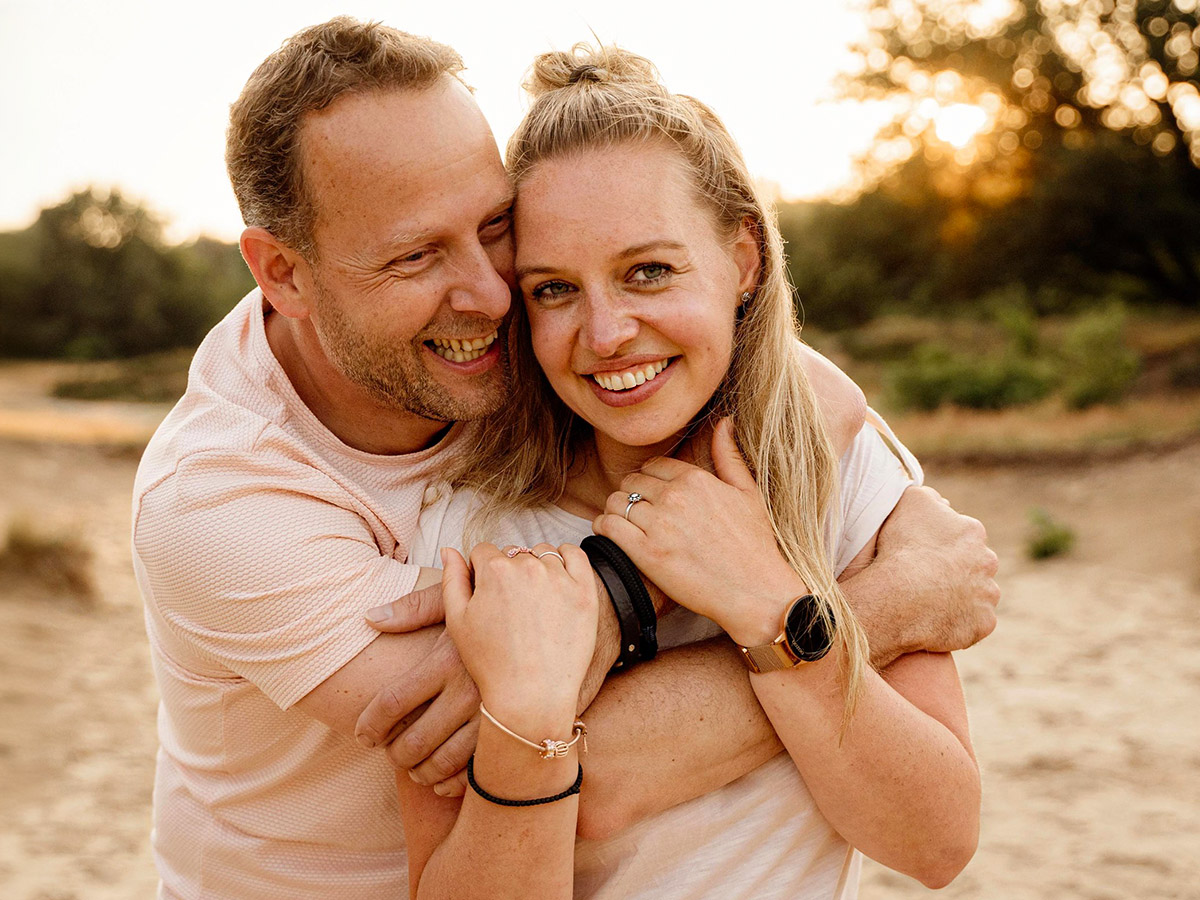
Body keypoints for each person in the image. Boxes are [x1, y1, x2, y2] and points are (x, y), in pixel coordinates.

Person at [131, 18, 998, 900]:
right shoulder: (226, 503)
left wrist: (809, 487)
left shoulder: (516, 364)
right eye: (415, 255)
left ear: (743, 258)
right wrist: (851, 608)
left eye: (495, 227)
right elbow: (561, 761)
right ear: (283, 274)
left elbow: (935, 839)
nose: (486, 296)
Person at [384, 44, 984, 899]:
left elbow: (936, 842)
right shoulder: (473, 530)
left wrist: (771, 606)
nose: (605, 334)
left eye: (649, 272)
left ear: (743, 261)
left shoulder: (842, 470)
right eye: (554, 289)